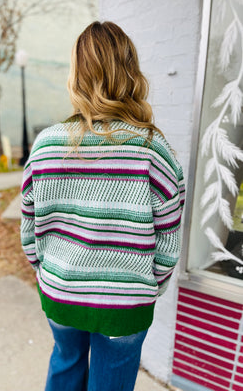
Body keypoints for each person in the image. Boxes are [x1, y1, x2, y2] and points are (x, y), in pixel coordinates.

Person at [20, 21, 186, 391]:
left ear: (76, 75)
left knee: (65, 363)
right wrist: (144, 288)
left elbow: (29, 229)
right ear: (130, 72)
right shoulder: (151, 151)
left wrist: (48, 273)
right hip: (126, 305)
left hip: (60, 291)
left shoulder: (46, 146)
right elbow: (169, 245)